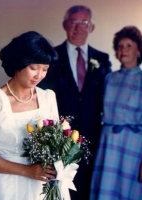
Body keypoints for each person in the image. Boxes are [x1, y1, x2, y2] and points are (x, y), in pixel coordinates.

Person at [38, 5, 111, 200]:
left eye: (83, 23)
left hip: (94, 138)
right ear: (65, 25)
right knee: (60, 189)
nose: (78, 28)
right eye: (73, 22)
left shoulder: (102, 59)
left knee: (89, 189)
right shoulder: (51, 57)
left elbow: (108, 98)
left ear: (91, 27)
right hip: (59, 137)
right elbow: (42, 94)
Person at [0, 31, 59, 200]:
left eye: (45, 69)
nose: (39, 75)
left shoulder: (48, 97)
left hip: (42, 186)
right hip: (8, 186)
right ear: (18, 63)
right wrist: (28, 171)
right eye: (33, 68)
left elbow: (57, 143)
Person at [90, 26, 142, 200]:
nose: (123, 49)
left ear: (139, 50)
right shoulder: (110, 78)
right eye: (120, 46)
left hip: (133, 146)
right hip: (108, 143)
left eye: (129, 45)